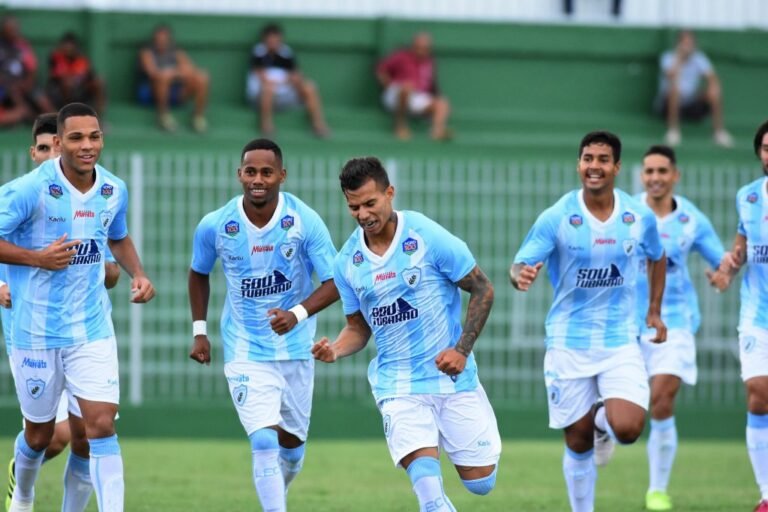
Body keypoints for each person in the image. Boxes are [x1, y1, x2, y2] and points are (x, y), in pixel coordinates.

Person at [312, 157, 500, 511]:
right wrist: (335, 350)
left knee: (481, 482)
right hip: (398, 387)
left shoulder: (426, 235)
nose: (363, 214)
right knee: (430, 499)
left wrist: (461, 350)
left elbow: (483, 288)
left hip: (452, 379)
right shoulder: (346, 263)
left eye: (371, 203)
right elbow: (357, 328)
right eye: (354, 207)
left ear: (390, 193)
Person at [0, 102, 155, 512]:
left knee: (96, 427)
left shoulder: (113, 189)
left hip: (91, 328)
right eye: (76, 138)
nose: (87, 146)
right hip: (34, 330)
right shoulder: (28, 190)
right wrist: (37, 258)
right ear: (58, 143)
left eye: (94, 136)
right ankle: (24, 494)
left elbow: (117, 236)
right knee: (39, 436)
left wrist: (137, 272)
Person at [510, 131, 667, 512]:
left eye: (602, 159)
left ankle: (603, 422)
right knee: (578, 441)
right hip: (568, 341)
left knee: (628, 429)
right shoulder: (558, 216)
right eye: (587, 158)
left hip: (619, 339)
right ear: (579, 164)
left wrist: (654, 311)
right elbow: (519, 264)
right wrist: (521, 276)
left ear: (616, 166)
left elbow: (657, 256)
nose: (593, 166)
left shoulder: (637, 216)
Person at [188, 138, 338, 511]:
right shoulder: (216, 225)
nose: (258, 179)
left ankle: (278, 491)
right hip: (245, 350)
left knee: (291, 450)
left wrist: (298, 313)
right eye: (250, 171)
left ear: (281, 176)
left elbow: (336, 282)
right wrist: (200, 331)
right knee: (263, 442)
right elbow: (198, 274)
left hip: (296, 351)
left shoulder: (303, 221)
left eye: (266, 172)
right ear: (239, 174)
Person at [634, 144, 727, 511]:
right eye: (649, 171)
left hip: (677, 322)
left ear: (675, 176)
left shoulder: (691, 219)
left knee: (661, 399)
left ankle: (657, 490)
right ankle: (603, 431)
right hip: (625, 323)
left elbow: (720, 260)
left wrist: (721, 274)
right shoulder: (628, 211)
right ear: (642, 176)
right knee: (625, 412)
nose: (655, 177)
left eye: (662, 171)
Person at [708, 120, 768, 512]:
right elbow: (742, 247)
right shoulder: (747, 196)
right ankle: (767, 494)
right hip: (758, 314)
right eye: (766, 147)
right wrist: (727, 269)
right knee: (759, 394)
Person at [246, 24, 330, 138]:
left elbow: (296, 74)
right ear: (264, 39)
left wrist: (294, 80)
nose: (273, 42)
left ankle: (318, 125)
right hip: (262, 97)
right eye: (270, 39)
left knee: (309, 86)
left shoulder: (286, 53)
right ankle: (266, 127)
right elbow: (261, 76)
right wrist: (282, 81)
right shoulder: (258, 52)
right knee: (268, 88)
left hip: (286, 95)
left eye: (276, 39)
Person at [655, 30, 733, 148]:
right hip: (667, 105)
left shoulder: (699, 58)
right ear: (678, 44)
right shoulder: (668, 57)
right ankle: (673, 131)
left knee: (714, 90)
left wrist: (713, 86)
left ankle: (718, 133)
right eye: (684, 43)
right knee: (674, 91)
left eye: (690, 43)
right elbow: (670, 75)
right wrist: (679, 59)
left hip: (691, 105)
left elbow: (712, 77)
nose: (687, 46)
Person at [376, 32, 451, 141]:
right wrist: (389, 86)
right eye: (418, 47)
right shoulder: (401, 56)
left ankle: (437, 132)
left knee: (442, 103)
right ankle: (400, 126)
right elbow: (381, 70)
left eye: (425, 48)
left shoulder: (429, 62)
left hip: (418, 96)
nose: (421, 51)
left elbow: (432, 86)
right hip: (396, 94)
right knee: (407, 87)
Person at [138, 24, 209, 133]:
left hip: (175, 92)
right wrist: (171, 74)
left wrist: (172, 73)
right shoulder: (147, 52)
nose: (161, 42)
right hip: (150, 93)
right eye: (158, 39)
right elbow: (152, 73)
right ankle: (163, 116)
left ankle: (198, 117)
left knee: (202, 77)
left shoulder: (176, 52)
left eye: (164, 39)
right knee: (163, 78)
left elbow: (190, 70)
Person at [0, 16, 53, 126]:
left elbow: (32, 68)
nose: (13, 32)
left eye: (15, 29)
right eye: (10, 30)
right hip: (5, 85)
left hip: (23, 83)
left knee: (41, 99)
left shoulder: (22, 45)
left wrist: (27, 82)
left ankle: (57, 121)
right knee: (14, 92)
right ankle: (31, 118)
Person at [47, 33, 106, 116]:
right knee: (67, 83)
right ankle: (67, 114)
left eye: (70, 45)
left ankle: (98, 117)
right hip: (60, 93)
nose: (68, 48)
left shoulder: (82, 60)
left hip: (80, 91)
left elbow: (91, 77)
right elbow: (54, 79)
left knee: (99, 81)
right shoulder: (56, 58)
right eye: (66, 45)